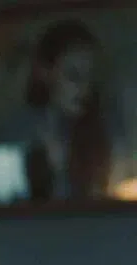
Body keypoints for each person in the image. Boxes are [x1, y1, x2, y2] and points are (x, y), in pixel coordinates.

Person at [22, 19, 112, 201]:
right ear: (45, 73)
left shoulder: (96, 130)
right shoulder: (23, 132)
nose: (85, 89)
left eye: (89, 77)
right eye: (73, 76)